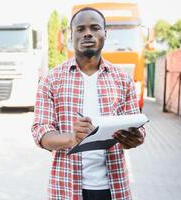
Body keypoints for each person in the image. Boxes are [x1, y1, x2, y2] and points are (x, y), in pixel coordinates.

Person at [31, 7, 145, 200]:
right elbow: (40, 133)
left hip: (114, 189)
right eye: (80, 29)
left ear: (105, 34)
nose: (88, 34)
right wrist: (72, 138)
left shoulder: (123, 80)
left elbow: (139, 133)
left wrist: (134, 138)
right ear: (71, 35)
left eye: (94, 28)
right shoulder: (51, 80)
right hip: (66, 188)